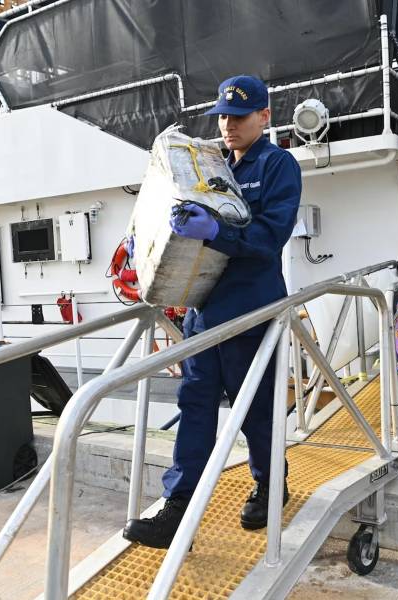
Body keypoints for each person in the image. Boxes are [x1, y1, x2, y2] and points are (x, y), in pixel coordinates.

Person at [123, 75, 302, 548]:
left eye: (239, 116)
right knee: (195, 406)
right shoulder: (210, 163)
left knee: (257, 411)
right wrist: (142, 237)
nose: (228, 124)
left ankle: (270, 485)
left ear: (265, 116)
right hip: (203, 313)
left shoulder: (279, 165)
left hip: (250, 313)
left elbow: (268, 239)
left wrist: (216, 232)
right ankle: (177, 509)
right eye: (223, 115)